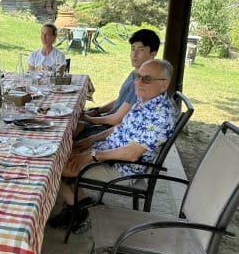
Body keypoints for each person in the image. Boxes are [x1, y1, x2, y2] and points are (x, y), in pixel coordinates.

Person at [50, 59, 177, 229]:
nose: (138, 82)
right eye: (138, 77)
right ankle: (82, 202)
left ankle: (77, 210)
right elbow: (120, 127)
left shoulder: (160, 114)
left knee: (52, 167)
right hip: (108, 153)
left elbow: (131, 154)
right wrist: (89, 141)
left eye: (146, 79)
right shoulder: (146, 102)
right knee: (58, 151)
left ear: (164, 84)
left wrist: (90, 155)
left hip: (121, 168)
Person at [76, 28, 161, 139]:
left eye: (141, 50)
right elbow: (121, 100)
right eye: (133, 49)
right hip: (107, 122)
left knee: (72, 129)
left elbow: (118, 119)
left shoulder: (143, 83)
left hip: (113, 131)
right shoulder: (136, 73)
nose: (134, 54)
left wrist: (90, 120)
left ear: (152, 54)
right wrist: (97, 110)